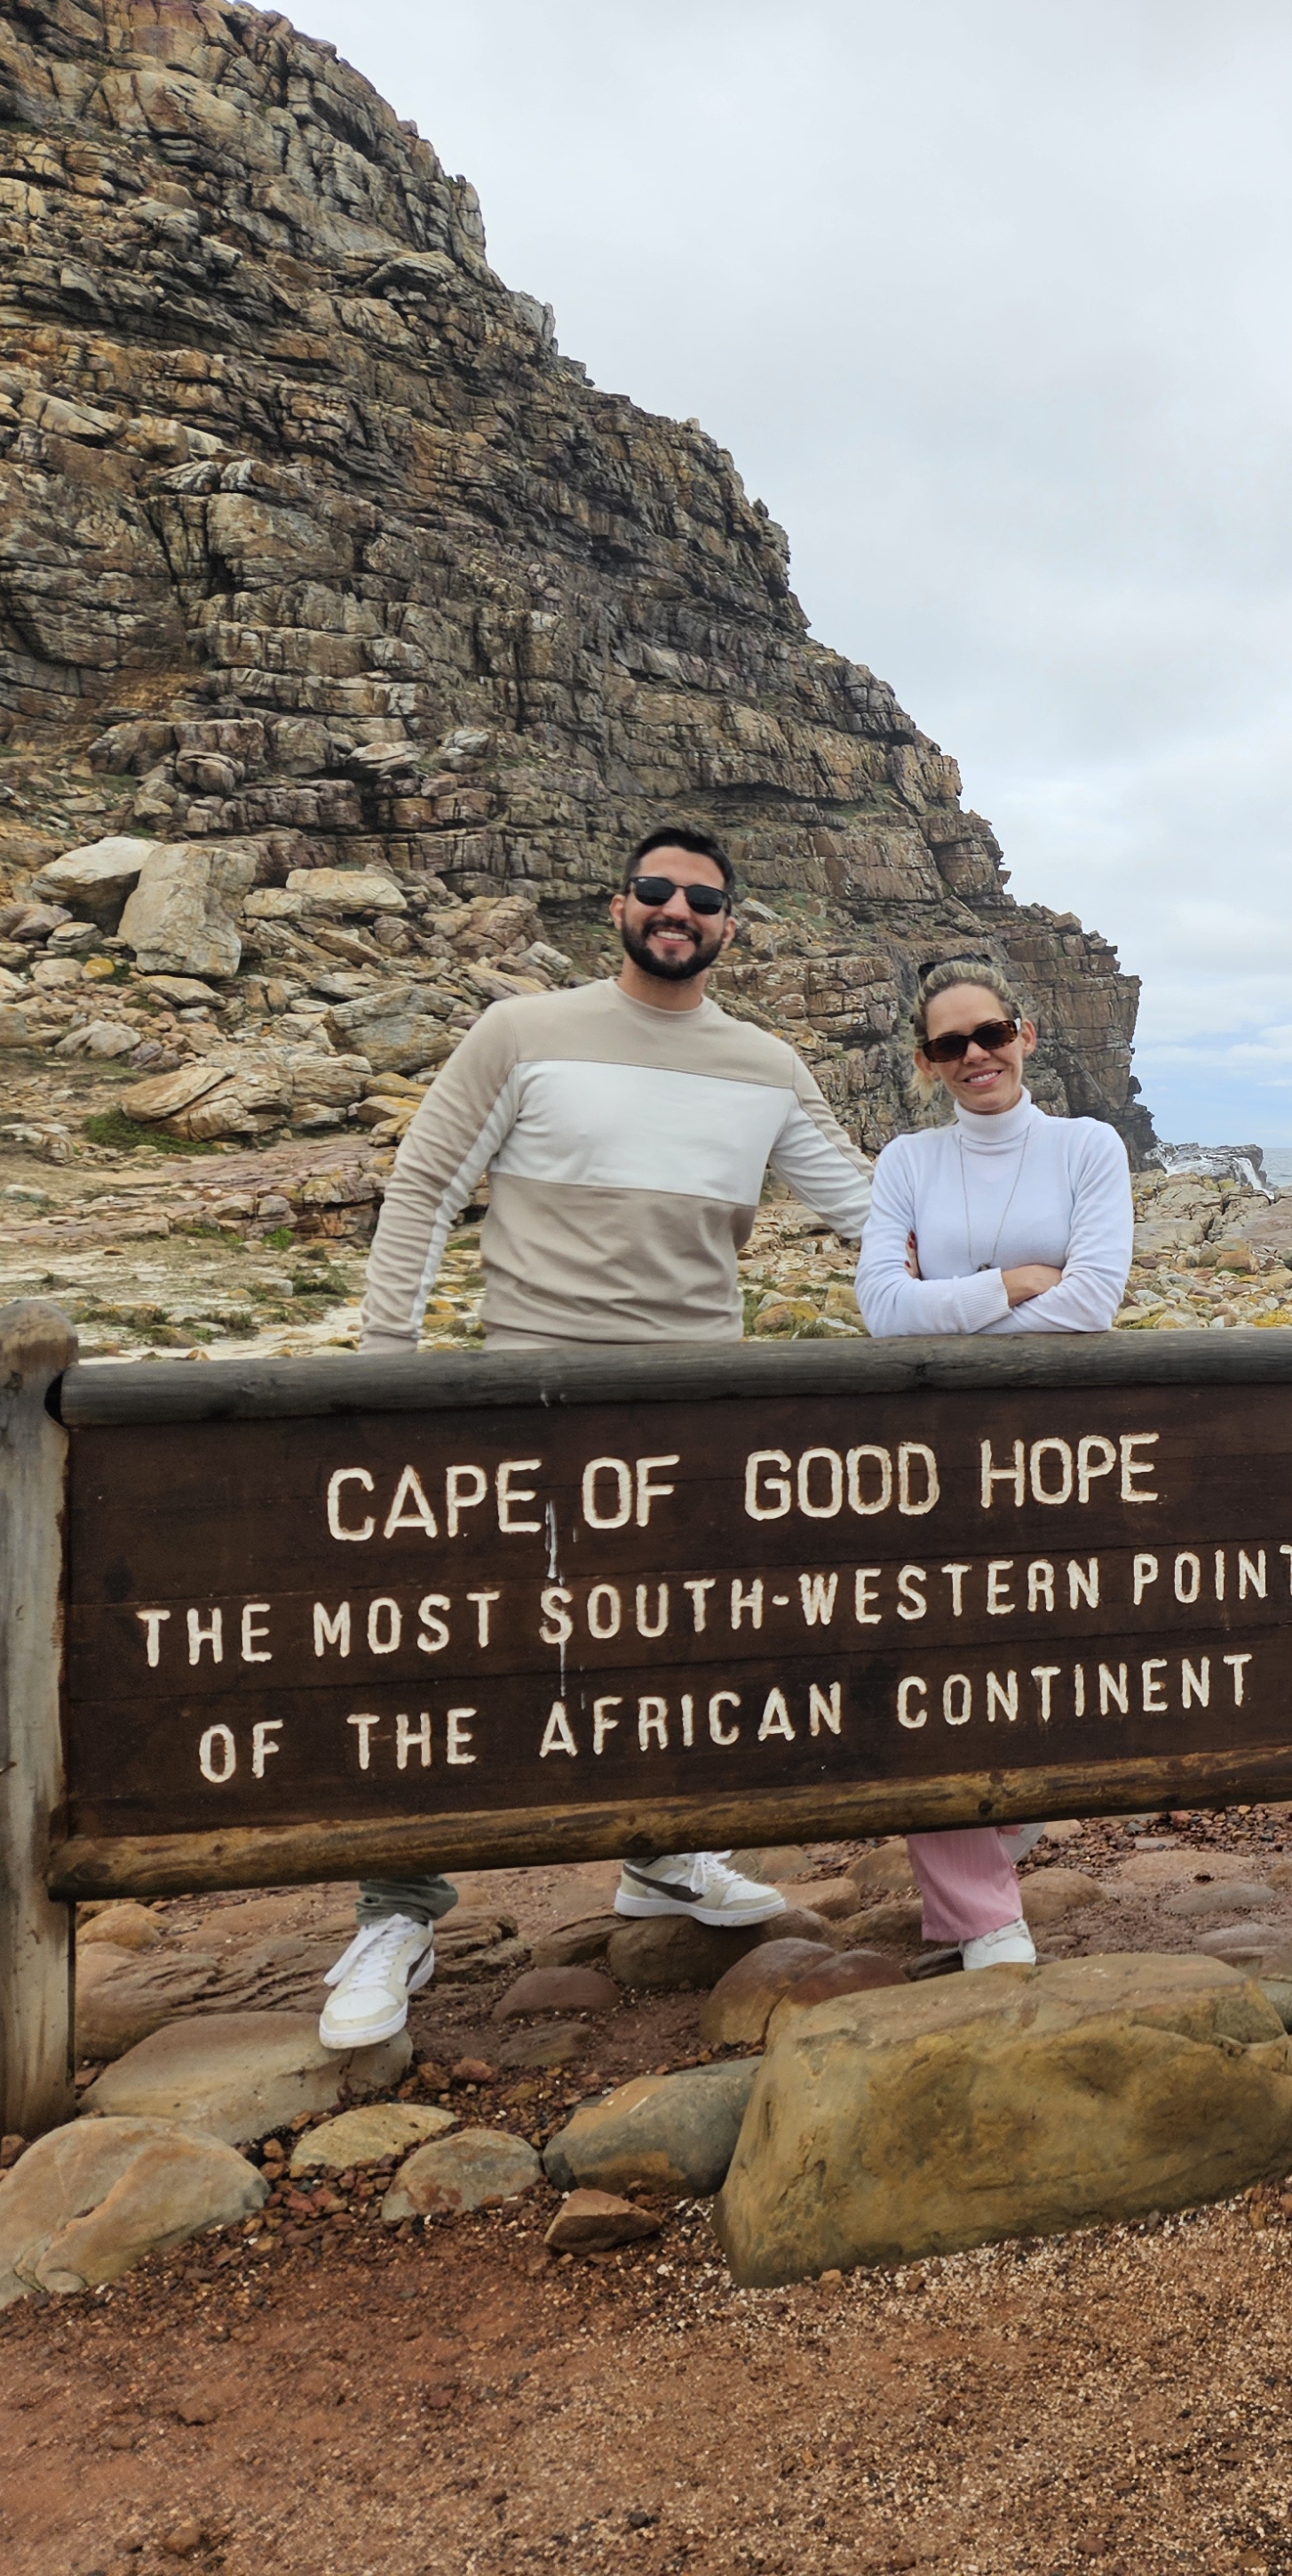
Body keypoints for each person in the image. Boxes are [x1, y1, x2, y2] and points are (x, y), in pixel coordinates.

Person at [320, 825, 877, 2051]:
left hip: (692, 1403)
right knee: (463, 1649)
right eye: (659, 891)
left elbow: (871, 1215)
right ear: (618, 905)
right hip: (528, 1391)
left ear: (733, 924)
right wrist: (389, 1370)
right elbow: (422, 1188)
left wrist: (1034, 1273)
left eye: (706, 899)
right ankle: (396, 1914)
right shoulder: (523, 1035)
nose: (680, 911)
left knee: (672, 1641)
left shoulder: (767, 1067)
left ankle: (664, 1853)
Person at [854, 958, 1133, 1967]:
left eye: (989, 1034)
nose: (975, 1056)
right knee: (940, 1664)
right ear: (928, 1066)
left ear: (1024, 1034)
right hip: (939, 1453)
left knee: (1063, 1656)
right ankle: (984, 1918)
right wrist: (1012, 1282)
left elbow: (1094, 1299)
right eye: (948, 1046)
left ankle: (991, 1848)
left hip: (1062, 1447)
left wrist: (953, 1299)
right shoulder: (906, 1164)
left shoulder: (1088, 1146)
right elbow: (881, 1311)